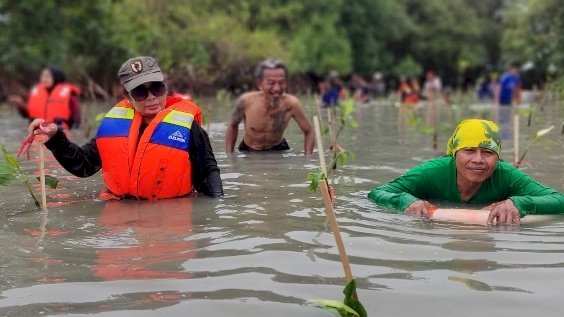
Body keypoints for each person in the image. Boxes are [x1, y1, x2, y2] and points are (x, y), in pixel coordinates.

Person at [27, 56, 223, 199]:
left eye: (156, 88)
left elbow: (208, 174)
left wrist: (214, 213)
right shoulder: (114, 127)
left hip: (170, 215)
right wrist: (55, 137)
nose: (151, 97)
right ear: (127, 97)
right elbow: (84, 165)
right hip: (120, 214)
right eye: (140, 92)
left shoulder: (188, 128)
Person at [367, 119, 564, 224]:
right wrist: (406, 200)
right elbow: (377, 193)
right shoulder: (431, 173)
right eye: (469, 151)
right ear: (455, 154)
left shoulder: (507, 175)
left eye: (487, 152)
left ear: (498, 157)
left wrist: (519, 203)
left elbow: (559, 201)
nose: (478, 160)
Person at [225, 59, 314, 154]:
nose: (277, 88)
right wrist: (230, 157)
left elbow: (309, 131)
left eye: (281, 83)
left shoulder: (291, 104)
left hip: (278, 149)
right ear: (260, 84)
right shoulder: (246, 101)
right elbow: (232, 126)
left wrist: (307, 158)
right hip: (248, 150)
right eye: (271, 82)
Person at [8, 65, 81, 129]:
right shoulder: (36, 91)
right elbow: (27, 115)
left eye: (47, 76)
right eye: (42, 76)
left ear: (56, 77)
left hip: (59, 133)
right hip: (38, 132)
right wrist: (20, 105)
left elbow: (76, 121)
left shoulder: (69, 94)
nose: (43, 79)